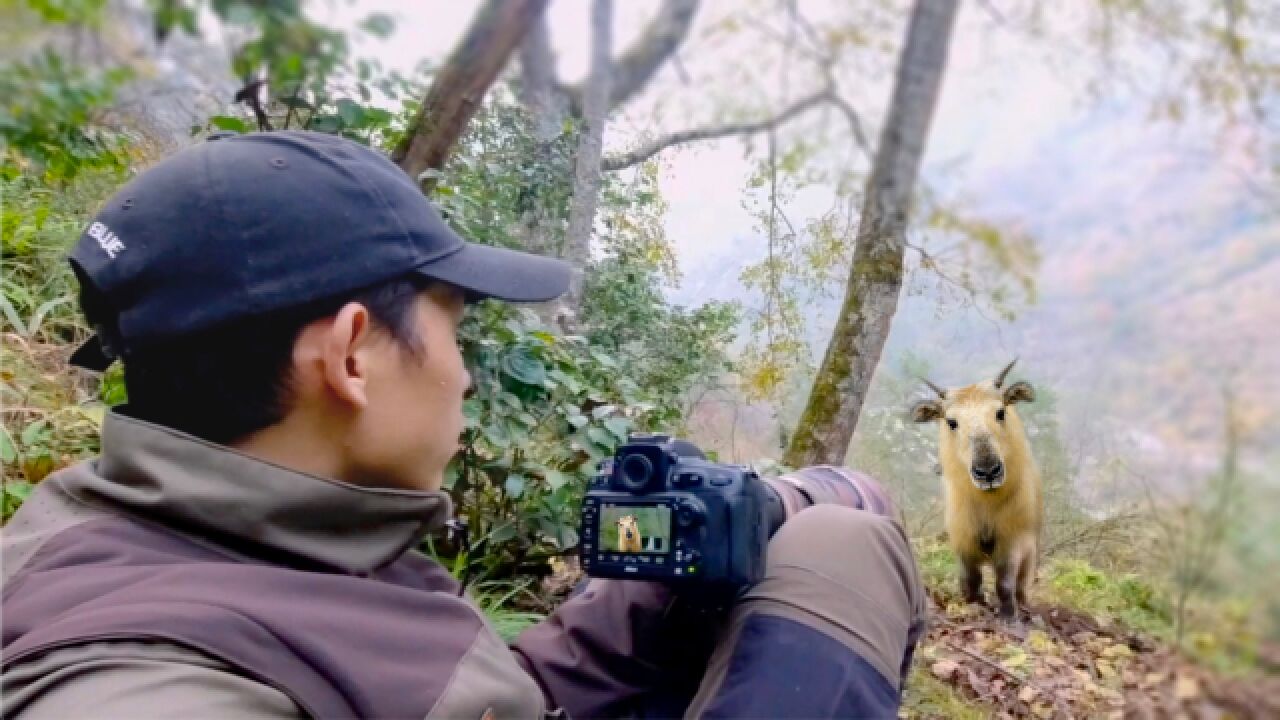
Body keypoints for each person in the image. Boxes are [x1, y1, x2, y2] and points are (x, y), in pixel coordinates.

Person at [0, 131, 926, 719]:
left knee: (831, 536)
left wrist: (720, 537)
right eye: (456, 326)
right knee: (848, 551)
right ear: (352, 355)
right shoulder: (137, 679)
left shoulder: (122, 523)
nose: (465, 371)